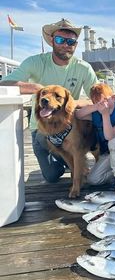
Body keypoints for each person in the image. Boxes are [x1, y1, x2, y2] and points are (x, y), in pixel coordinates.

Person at [0, 18, 97, 182]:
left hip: (69, 126)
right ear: (52, 40)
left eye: (70, 41)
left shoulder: (83, 68)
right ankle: (67, 160)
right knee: (52, 176)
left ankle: (74, 158)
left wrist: (72, 103)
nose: (65, 44)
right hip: (41, 129)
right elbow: (4, 83)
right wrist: (36, 88)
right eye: (60, 40)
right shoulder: (35, 62)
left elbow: (97, 99)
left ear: (75, 44)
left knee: (86, 130)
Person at [75, 83, 115, 186]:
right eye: (98, 103)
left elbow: (109, 136)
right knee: (93, 179)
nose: (103, 106)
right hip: (109, 154)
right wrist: (95, 107)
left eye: (105, 101)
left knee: (113, 141)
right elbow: (78, 115)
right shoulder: (98, 112)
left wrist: (105, 115)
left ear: (113, 98)